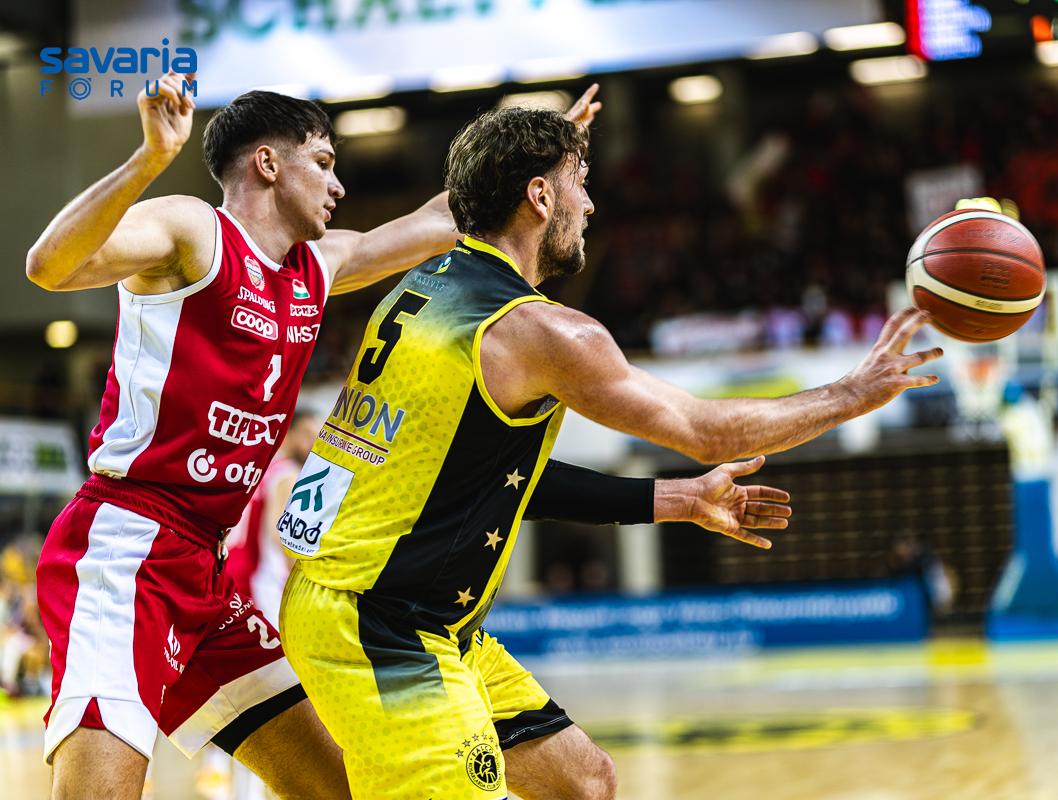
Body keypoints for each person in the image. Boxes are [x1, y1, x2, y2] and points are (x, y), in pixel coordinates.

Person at [278, 106, 943, 799]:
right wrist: (850, 393)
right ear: (540, 197)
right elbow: (708, 432)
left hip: (410, 615)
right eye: (581, 182)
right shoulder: (540, 332)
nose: (590, 204)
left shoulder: (424, 286)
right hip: (382, 628)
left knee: (585, 784)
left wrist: (681, 499)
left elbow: (491, 478)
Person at [24, 70, 622, 800]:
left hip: (204, 569)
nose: (339, 184)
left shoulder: (318, 267)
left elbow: (446, 216)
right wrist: (149, 159)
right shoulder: (194, 231)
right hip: (126, 549)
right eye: (324, 162)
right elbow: (48, 266)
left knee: (335, 787)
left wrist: (539, 157)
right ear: (267, 163)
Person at [225, 408, 322, 628]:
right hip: (262, 581)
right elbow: (284, 536)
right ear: (288, 434)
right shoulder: (288, 474)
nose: (313, 443)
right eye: (307, 434)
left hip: (236, 572)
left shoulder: (259, 468)